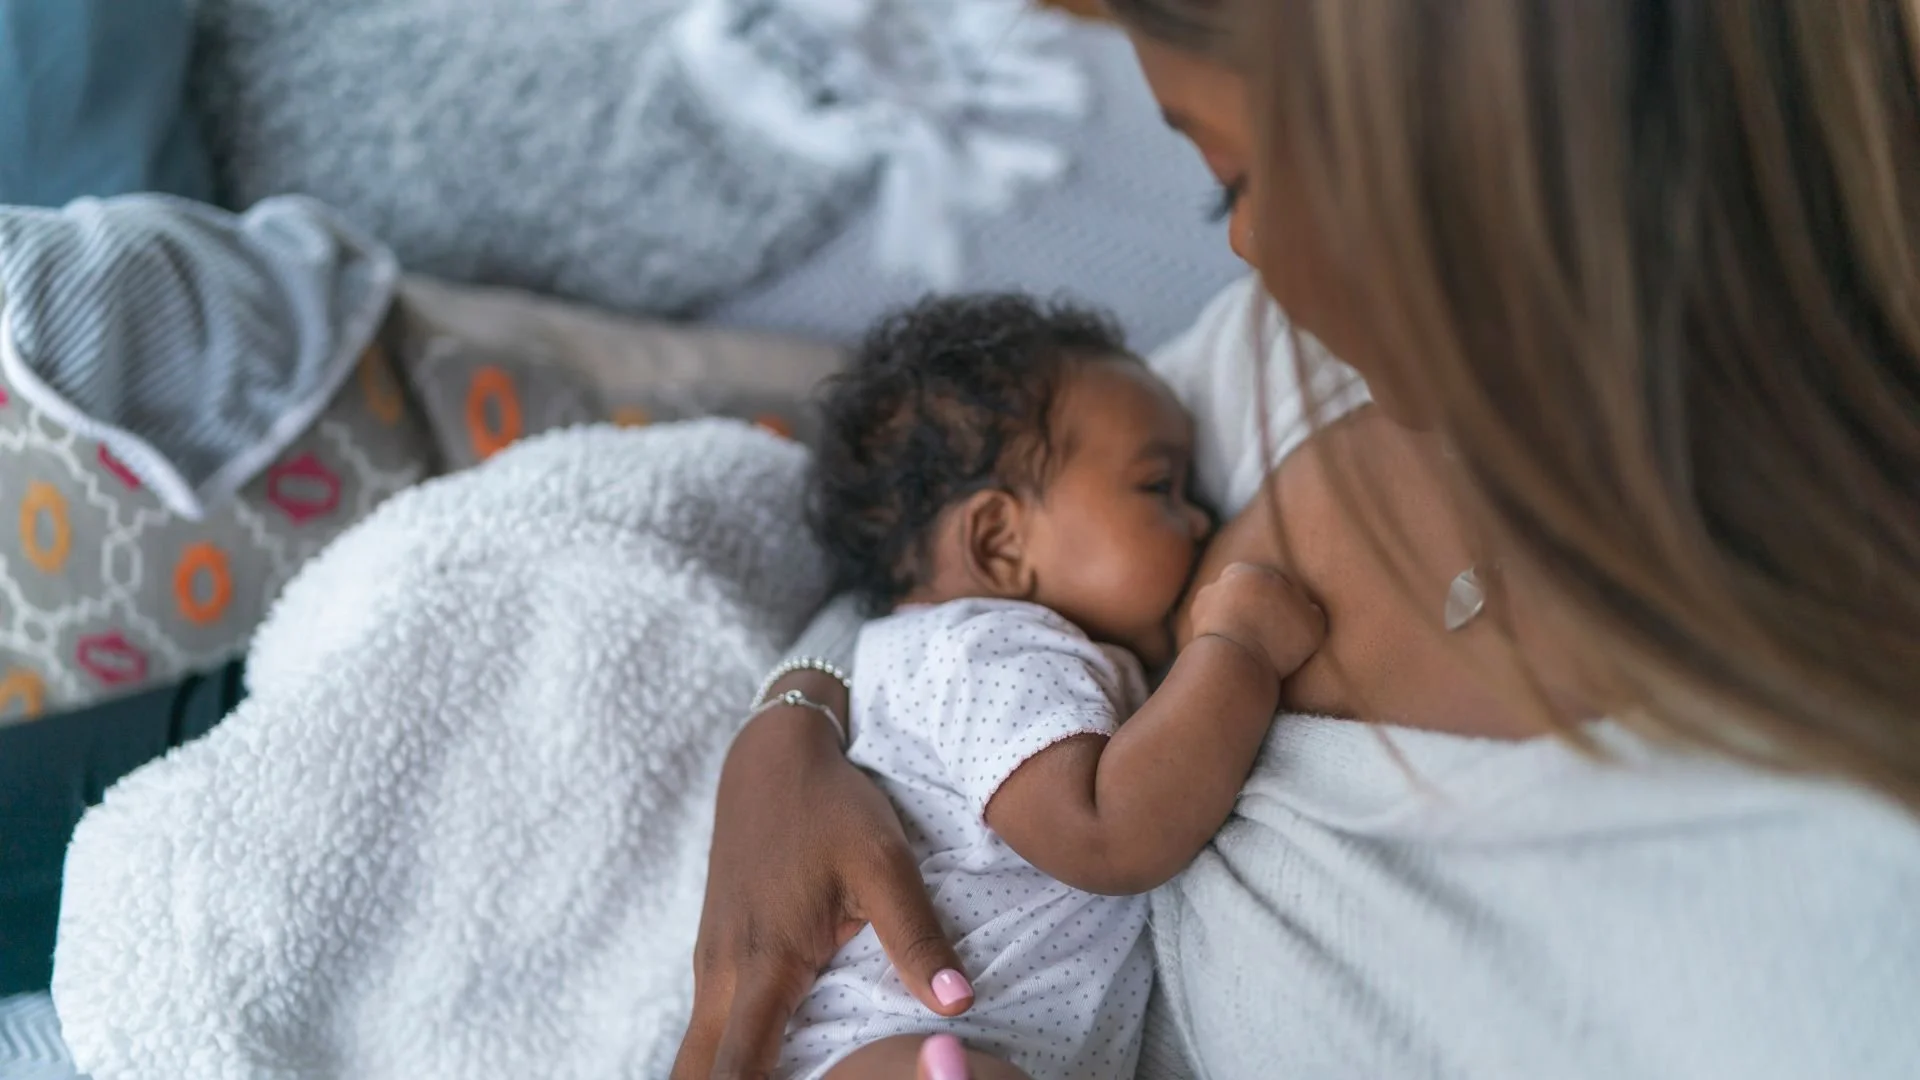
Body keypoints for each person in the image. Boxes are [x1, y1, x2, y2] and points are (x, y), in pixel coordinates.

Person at [674, 3, 1920, 1078]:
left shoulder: (1822, 878)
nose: (1245, 252)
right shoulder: (1276, 367)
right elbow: (932, 550)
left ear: (1466, 121)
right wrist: (793, 723)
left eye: (1239, 176)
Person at [773, 293, 1322, 1080]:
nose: (1199, 520)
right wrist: (1239, 650)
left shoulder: (969, 655)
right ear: (999, 542)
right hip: (882, 1048)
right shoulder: (989, 649)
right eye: (1158, 486)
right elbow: (1107, 830)